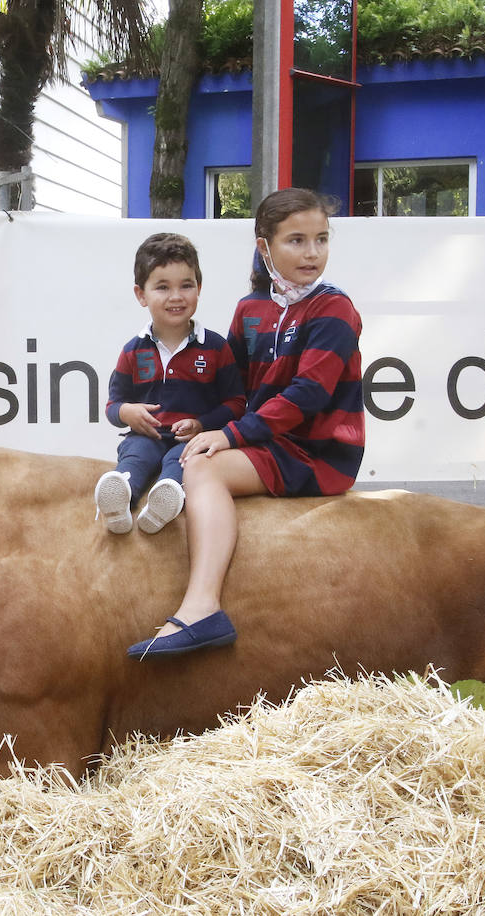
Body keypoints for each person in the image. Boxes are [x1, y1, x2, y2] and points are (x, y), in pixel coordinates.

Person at [128, 188, 364, 658]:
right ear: (265, 247)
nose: (312, 252)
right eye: (296, 240)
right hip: (267, 442)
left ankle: (202, 609)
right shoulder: (250, 308)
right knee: (184, 451)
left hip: (314, 451)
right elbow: (230, 387)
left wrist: (230, 435)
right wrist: (188, 420)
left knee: (202, 468)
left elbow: (307, 396)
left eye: (321, 239)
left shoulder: (334, 310)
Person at [97, 233, 245, 536]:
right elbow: (113, 405)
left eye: (186, 285)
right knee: (135, 457)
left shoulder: (216, 348)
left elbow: (236, 404)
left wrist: (201, 424)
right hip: (145, 437)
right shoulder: (132, 351)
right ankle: (120, 498)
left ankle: (167, 498)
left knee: (185, 464)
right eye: (162, 287)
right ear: (141, 294)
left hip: (190, 443)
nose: (176, 296)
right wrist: (127, 413)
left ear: (199, 289)